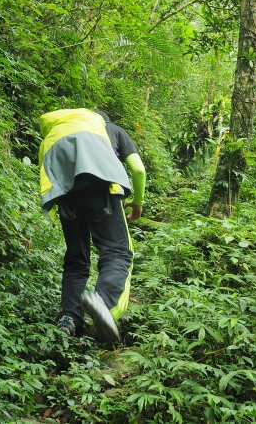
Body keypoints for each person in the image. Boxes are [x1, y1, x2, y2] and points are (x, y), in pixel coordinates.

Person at [38, 108, 146, 342]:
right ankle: (103, 304)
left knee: (76, 259)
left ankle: (69, 319)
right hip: (100, 192)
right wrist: (137, 203)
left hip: (66, 197)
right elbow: (138, 169)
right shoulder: (113, 130)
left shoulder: (55, 133)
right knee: (117, 251)